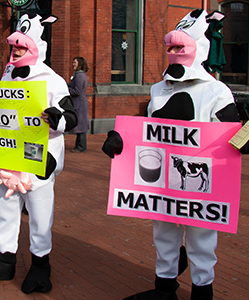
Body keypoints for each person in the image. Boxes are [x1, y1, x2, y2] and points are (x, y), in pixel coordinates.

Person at [102, 9, 249, 300]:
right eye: (172, 47)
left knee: (201, 239)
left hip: (201, 185)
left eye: (181, 45)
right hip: (161, 184)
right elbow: (145, 129)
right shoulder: (159, 90)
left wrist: (244, 132)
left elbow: (233, 137)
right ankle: (165, 287)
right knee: (164, 236)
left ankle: (202, 291)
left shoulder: (216, 92)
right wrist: (119, 139)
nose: (174, 50)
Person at [0, 13, 77, 294]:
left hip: (37, 162)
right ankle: (5, 260)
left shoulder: (53, 80)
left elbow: (71, 117)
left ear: (36, 45)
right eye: (14, 46)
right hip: (6, 160)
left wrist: (56, 118)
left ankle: (40, 263)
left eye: (21, 46)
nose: (16, 49)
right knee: (4, 209)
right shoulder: (6, 75)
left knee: (39, 213)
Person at [68, 57, 89, 153]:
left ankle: (81, 147)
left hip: (79, 103)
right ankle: (79, 146)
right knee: (81, 124)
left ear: (80, 64)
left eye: (75, 62)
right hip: (79, 102)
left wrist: (66, 89)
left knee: (81, 125)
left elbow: (77, 91)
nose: (73, 64)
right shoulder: (79, 75)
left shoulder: (80, 76)